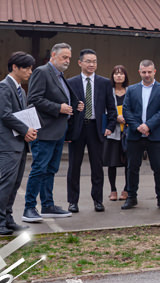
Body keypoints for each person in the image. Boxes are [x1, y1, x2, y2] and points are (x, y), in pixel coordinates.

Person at [23, 42, 78, 222]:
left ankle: (47, 205)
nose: (67, 61)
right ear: (53, 56)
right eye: (64, 57)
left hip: (58, 131)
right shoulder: (42, 72)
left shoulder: (59, 75)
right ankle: (29, 208)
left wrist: (73, 105)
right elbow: (34, 98)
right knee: (39, 168)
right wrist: (58, 108)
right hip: (44, 130)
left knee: (51, 169)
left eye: (69, 58)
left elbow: (61, 99)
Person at [0, 51, 38, 235]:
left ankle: (8, 219)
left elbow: (21, 115)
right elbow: (5, 114)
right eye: (26, 68)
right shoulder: (3, 87)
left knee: (15, 183)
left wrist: (30, 129)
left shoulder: (20, 89)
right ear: (15, 67)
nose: (30, 72)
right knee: (6, 183)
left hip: (18, 142)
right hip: (7, 144)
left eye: (31, 68)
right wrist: (26, 129)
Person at [65, 49, 112, 213]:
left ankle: (98, 200)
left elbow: (111, 108)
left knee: (97, 166)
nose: (92, 64)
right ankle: (72, 201)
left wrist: (109, 127)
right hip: (78, 128)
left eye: (94, 61)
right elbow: (67, 108)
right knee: (74, 166)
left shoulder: (104, 82)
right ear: (80, 63)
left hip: (96, 128)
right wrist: (68, 131)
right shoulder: (71, 82)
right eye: (88, 61)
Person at [121, 59, 160, 210]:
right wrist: (138, 127)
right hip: (135, 135)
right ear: (139, 72)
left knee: (158, 168)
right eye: (144, 72)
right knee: (132, 167)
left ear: (154, 71)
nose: (147, 75)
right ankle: (131, 197)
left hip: (155, 135)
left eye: (149, 72)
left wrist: (148, 125)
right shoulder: (131, 90)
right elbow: (126, 111)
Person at [103, 65, 129, 201]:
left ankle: (126, 189)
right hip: (113, 132)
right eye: (116, 73)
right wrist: (116, 117)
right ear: (112, 76)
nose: (119, 76)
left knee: (129, 162)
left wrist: (127, 118)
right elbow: (103, 108)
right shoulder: (109, 91)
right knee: (112, 162)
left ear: (125, 76)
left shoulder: (130, 91)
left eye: (121, 73)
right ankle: (113, 190)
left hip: (128, 132)